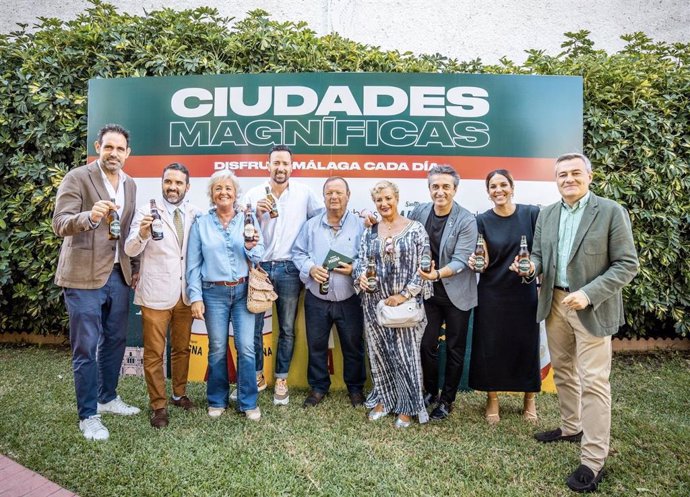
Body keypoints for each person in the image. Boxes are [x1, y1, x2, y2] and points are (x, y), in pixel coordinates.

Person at [510, 153, 638, 493]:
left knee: (594, 382)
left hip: (591, 308)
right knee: (563, 370)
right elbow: (538, 255)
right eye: (562, 174)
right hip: (554, 303)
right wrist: (531, 267)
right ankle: (571, 426)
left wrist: (589, 294)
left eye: (575, 173)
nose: (568, 178)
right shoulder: (548, 214)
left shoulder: (611, 211)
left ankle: (593, 460)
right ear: (556, 179)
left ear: (589, 176)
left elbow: (627, 264)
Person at [52, 123, 141, 441]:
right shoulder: (77, 177)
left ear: (127, 154)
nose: (114, 153)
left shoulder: (130, 185)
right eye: (108, 147)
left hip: (119, 276)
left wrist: (137, 267)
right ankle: (88, 415)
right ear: (98, 148)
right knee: (86, 348)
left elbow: (129, 231)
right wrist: (89, 217)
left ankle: (107, 398)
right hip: (83, 278)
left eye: (120, 149)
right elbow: (59, 223)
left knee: (115, 342)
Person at [241, 145, 322, 405]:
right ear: (268, 165)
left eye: (285, 164)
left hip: (290, 267)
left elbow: (321, 222)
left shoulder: (304, 193)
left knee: (286, 328)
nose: (280, 168)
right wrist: (256, 213)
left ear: (291, 166)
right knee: (253, 328)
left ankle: (282, 378)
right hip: (260, 267)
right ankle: (256, 376)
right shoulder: (253, 194)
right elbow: (242, 230)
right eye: (276, 163)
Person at [124, 163, 201, 428]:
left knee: (181, 349)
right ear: (162, 183)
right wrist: (143, 233)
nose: (173, 187)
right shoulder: (146, 212)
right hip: (155, 293)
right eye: (168, 181)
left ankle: (179, 394)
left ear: (187, 187)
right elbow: (130, 248)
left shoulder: (194, 213)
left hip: (185, 294)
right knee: (155, 353)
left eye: (179, 183)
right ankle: (158, 405)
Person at [186, 170, 264, 421]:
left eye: (228, 188)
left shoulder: (247, 219)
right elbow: (193, 265)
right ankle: (217, 400)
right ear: (211, 194)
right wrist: (195, 296)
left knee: (246, 347)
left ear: (235, 194)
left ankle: (248, 401)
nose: (223, 192)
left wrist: (252, 248)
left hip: (243, 291)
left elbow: (259, 253)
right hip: (213, 293)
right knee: (218, 348)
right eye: (218, 188)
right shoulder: (201, 223)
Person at [354, 180, 432, 428]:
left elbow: (425, 266)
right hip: (374, 303)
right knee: (379, 354)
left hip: (404, 304)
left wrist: (405, 294)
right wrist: (361, 277)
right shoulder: (370, 231)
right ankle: (385, 400)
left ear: (397, 198)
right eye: (379, 200)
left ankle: (408, 407)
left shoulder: (416, 229)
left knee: (406, 356)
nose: (384, 204)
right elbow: (360, 260)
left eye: (388, 198)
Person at [468, 169, 541, 424]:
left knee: (527, 345)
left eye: (502, 185)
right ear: (488, 192)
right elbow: (482, 257)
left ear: (512, 187)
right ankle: (493, 399)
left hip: (524, 291)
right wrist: (478, 262)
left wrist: (531, 263)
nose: (498, 190)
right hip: (492, 293)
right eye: (493, 187)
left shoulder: (532, 214)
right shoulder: (482, 221)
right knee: (491, 346)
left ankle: (529, 400)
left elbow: (540, 252)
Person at [409, 165, 477, 421]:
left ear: (455, 190)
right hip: (428, 293)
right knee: (426, 345)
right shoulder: (419, 211)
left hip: (457, 293)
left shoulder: (466, 219)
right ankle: (430, 391)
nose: (440, 191)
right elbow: (404, 234)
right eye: (435, 186)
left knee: (455, 348)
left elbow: (461, 261)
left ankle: (447, 400)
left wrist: (437, 274)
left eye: (445, 187)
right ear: (429, 189)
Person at [292, 177, 367, 408]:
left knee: (353, 346)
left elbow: (369, 257)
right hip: (317, 298)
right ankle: (318, 387)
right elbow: (298, 253)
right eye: (329, 193)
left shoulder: (362, 225)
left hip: (349, 298)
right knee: (316, 345)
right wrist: (310, 268)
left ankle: (355, 389)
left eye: (339, 193)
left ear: (348, 195)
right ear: (323, 197)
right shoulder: (311, 225)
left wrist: (356, 268)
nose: (334, 197)